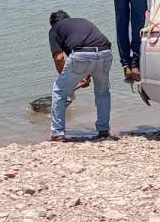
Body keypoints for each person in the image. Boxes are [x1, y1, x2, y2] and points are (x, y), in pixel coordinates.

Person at [48, 10, 113, 141]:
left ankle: (57, 133)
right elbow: (91, 49)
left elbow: (59, 58)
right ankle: (103, 130)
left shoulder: (55, 29)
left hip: (82, 55)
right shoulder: (82, 21)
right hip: (105, 52)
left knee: (58, 91)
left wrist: (66, 81)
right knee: (102, 93)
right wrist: (84, 76)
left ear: (53, 24)